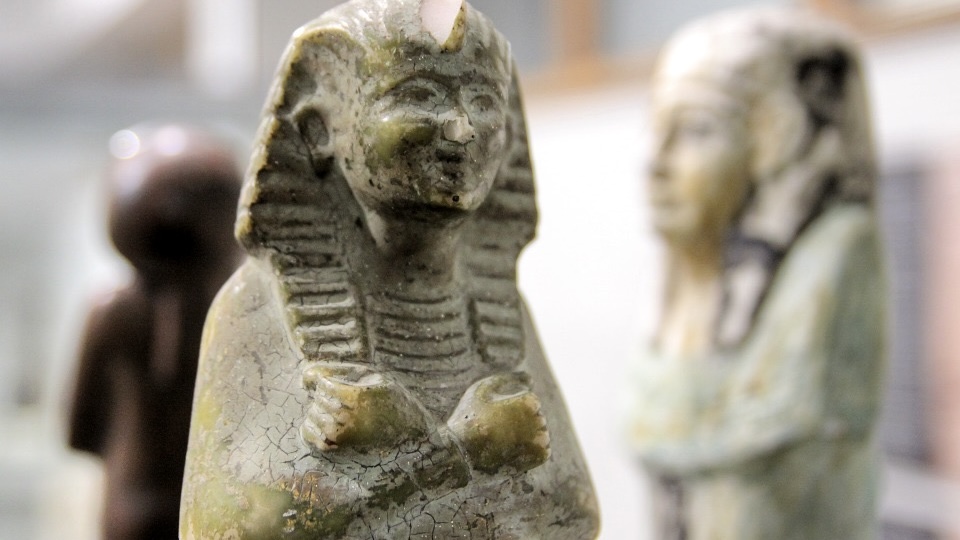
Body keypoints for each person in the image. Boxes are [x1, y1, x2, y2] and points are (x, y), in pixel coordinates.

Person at [179, 1, 599, 538]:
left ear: (510, 134)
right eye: (417, 96)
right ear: (318, 130)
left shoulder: (504, 309)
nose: (460, 128)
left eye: (483, 102)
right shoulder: (253, 305)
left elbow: (575, 510)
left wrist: (399, 460)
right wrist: (468, 452)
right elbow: (229, 526)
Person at [626, 9, 885, 540]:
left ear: (770, 141)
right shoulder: (688, 268)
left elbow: (748, 461)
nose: (654, 162)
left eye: (695, 130)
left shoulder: (838, 251)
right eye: (656, 128)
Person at [68, 124, 242, 540]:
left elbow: (80, 430)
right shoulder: (234, 311)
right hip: (214, 504)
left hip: (129, 499)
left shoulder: (113, 312)